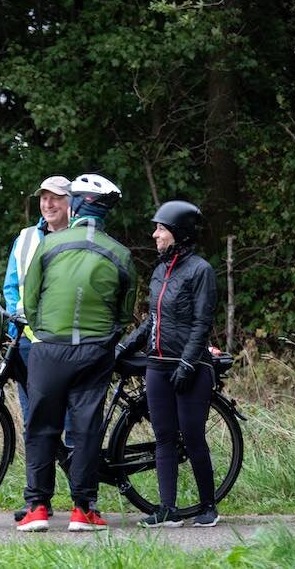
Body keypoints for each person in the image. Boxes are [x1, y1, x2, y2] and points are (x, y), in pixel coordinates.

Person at [16, 173, 136, 532]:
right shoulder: (121, 254)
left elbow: (30, 300)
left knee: (41, 427)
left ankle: (36, 507)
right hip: (94, 352)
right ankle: (83, 510)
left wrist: (45, 333)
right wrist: (101, 338)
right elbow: (125, 313)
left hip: (48, 349)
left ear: (76, 204)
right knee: (85, 429)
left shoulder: (48, 245)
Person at [117, 200, 220, 528]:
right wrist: (122, 348)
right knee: (163, 438)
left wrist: (189, 364)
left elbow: (202, 323)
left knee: (192, 438)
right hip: (158, 366)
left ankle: (208, 506)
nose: (155, 234)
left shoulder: (200, 271)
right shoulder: (161, 271)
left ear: (178, 232)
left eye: (161, 228)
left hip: (190, 367)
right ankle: (167, 509)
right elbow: (152, 320)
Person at [2, 175, 71, 422]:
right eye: (44, 198)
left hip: (66, 340)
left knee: (69, 414)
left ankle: (72, 460)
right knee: (33, 418)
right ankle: (39, 462)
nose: (48, 204)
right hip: (27, 341)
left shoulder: (82, 237)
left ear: (70, 202)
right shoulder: (26, 238)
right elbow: (11, 286)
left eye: (55, 198)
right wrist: (15, 325)